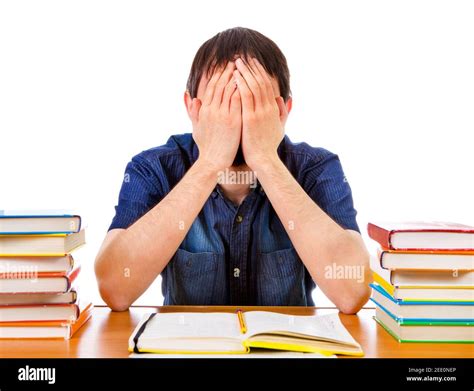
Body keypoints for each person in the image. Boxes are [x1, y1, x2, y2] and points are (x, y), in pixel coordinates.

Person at [95, 27, 371, 313]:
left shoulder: (315, 169)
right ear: (192, 107)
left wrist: (265, 159)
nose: (236, 116)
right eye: (222, 102)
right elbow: (115, 288)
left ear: (282, 110)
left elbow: (352, 292)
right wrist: (210, 162)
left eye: (253, 101)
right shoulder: (153, 169)